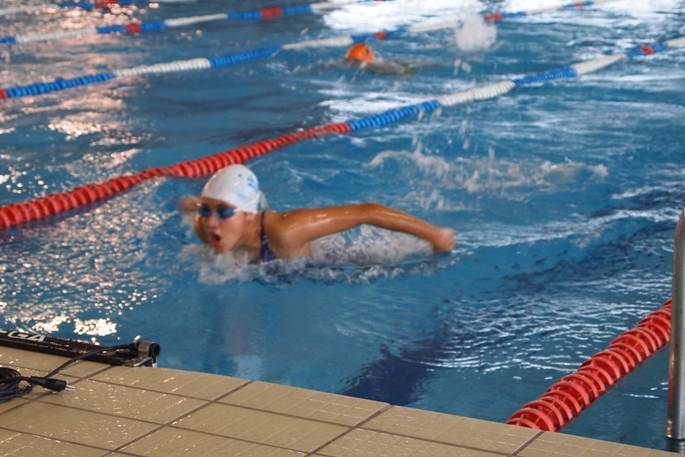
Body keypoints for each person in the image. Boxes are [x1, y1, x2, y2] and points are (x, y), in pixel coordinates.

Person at [180, 164, 455, 263]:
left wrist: (436, 236)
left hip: (328, 263)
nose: (211, 222)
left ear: (250, 214)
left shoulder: (285, 231)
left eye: (224, 211)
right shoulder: (205, 228)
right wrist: (194, 205)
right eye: (205, 210)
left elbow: (367, 212)